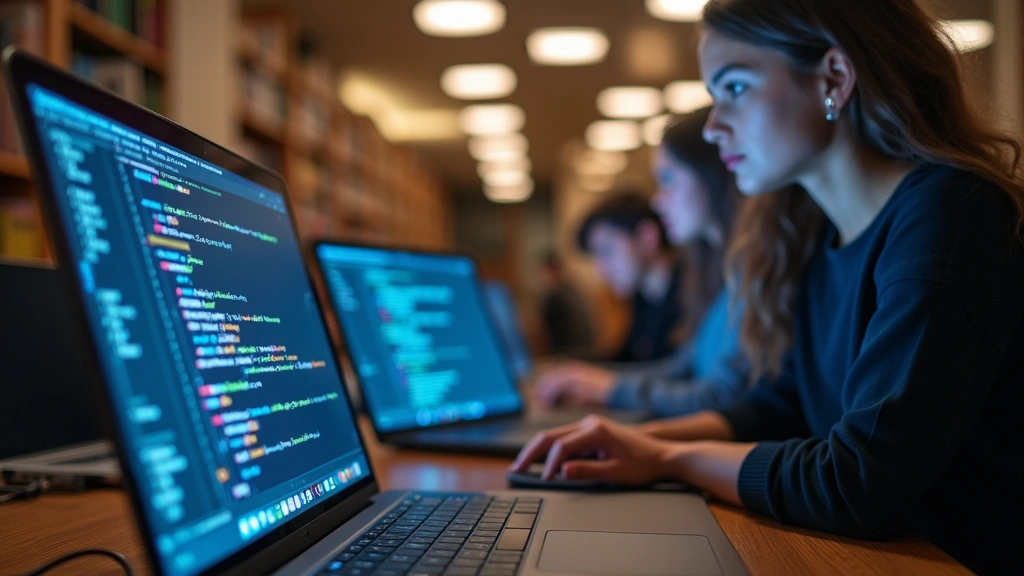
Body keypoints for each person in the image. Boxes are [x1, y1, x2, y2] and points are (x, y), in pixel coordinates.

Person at [510, 1, 1024, 574]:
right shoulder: (815, 234)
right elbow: (779, 405)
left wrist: (671, 457)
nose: (712, 125)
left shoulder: (951, 213)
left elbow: (857, 483)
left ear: (833, 78)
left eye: (734, 87)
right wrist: (645, 443)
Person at [535, 108, 749, 417]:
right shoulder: (716, 276)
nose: (658, 201)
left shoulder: (746, 273)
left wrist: (607, 388)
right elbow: (680, 368)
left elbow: (724, 397)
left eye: (667, 179)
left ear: (713, 171)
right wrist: (584, 377)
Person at [575, 192, 684, 362]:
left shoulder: (693, 295)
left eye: (606, 251)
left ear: (647, 237)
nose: (600, 270)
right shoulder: (643, 299)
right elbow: (629, 360)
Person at [538, 251, 595, 356]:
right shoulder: (573, 290)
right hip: (587, 352)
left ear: (550, 272)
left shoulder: (555, 296)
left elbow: (541, 330)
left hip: (567, 354)